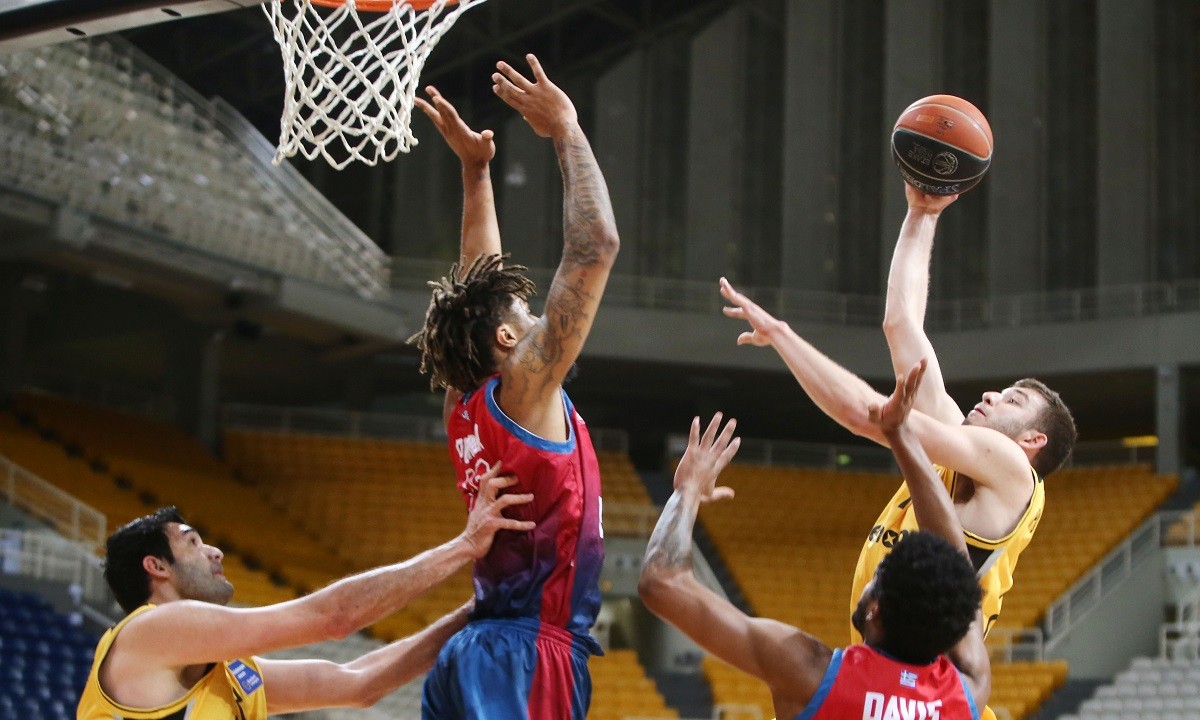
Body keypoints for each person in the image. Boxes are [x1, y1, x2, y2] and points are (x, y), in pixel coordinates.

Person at [719, 235, 1076, 640]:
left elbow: (864, 415)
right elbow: (901, 324)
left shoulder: (1013, 468)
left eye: (1013, 400)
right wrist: (921, 214)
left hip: (929, 674)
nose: (992, 395)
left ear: (1033, 440)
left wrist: (781, 335)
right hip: (888, 661)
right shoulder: (962, 450)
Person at [409, 54, 619, 720]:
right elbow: (595, 246)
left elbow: (480, 286)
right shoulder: (524, 390)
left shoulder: (464, 404)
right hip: (529, 655)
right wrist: (567, 129)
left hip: (479, 649)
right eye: (526, 315)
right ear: (507, 341)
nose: (535, 320)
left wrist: (476, 173)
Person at [638, 360, 991, 720]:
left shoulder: (810, 671)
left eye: (876, 578)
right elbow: (956, 564)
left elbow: (662, 584)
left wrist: (687, 490)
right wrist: (901, 435)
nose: (868, 581)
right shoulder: (968, 693)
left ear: (875, 610)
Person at [77, 466, 534, 720]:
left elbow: (360, 683)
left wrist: (478, 608)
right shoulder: (151, 629)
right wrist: (465, 546)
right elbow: (333, 617)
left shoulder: (233, 675)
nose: (215, 551)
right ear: (156, 567)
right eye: (193, 542)